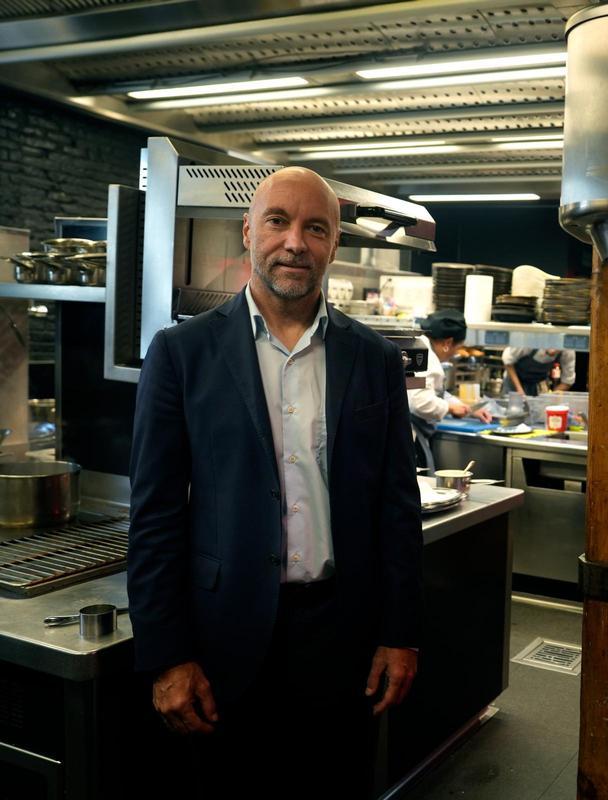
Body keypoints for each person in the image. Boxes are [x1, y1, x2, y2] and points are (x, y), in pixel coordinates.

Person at [127, 167, 422, 799]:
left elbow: (397, 508)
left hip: (342, 636)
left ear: (334, 244)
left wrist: (400, 633)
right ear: (247, 231)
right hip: (221, 640)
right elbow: (154, 516)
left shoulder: (373, 359)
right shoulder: (182, 354)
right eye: (278, 222)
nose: (296, 242)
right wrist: (166, 655)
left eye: (316, 227)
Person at [408, 309, 493, 469]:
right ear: (447, 343)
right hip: (410, 437)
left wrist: (467, 408)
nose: (455, 353)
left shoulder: (420, 348)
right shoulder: (426, 358)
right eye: (457, 347)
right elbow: (420, 402)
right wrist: (449, 407)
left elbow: (433, 391)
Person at [501, 346, 575, 396]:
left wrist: (550, 397)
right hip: (513, 381)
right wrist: (519, 390)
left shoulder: (568, 350)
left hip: (536, 385)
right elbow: (507, 360)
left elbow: (567, 381)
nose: (553, 351)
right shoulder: (530, 340)